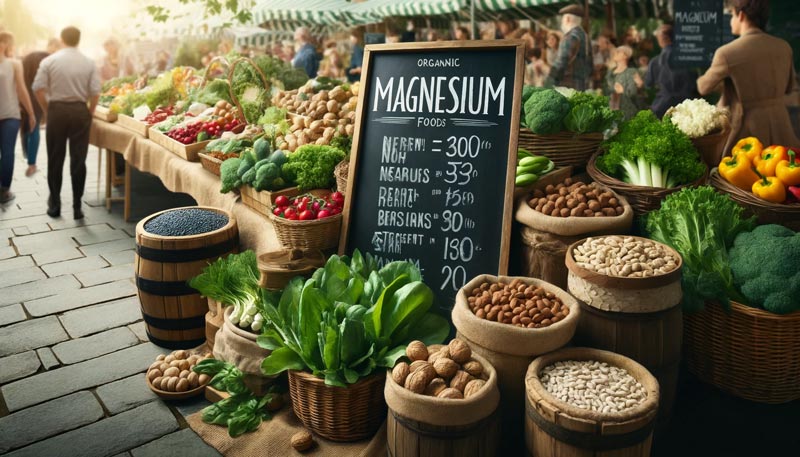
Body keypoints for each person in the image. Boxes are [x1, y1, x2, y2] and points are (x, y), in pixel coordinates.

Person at [698, 0, 799, 156]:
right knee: (783, 172)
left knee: (744, 175)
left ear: (741, 15)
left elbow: (703, 87)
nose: (731, 20)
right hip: (782, 126)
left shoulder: (727, 53)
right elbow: (790, 87)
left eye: (731, 14)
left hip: (747, 130)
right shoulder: (784, 47)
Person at [32, 26, 100, 219]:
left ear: (62, 39)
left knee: (55, 158)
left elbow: (37, 88)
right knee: (79, 159)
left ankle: (55, 204)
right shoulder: (89, 62)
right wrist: (89, 113)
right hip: (80, 111)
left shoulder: (49, 60)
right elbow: (95, 93)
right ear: (78, 40)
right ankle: (77, 206)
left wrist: (47, 110)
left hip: (57, 111)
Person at [0, 32, 36, 203]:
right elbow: (21, 90)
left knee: (7, 152)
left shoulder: (15, 64)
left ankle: (4, 190)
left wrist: (30, 113)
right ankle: (4, 190)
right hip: (10, 115)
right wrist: (30, 113)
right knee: (7, 152)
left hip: (11, 115)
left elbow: (22, 90)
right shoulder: (14, 64)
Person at [20, 38, 59, 178]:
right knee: (34, 127)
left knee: (26, 126)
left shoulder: (29, 57)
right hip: (38, 96)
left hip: (24, 95)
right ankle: (31, 162)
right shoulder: (48, 59)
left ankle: (27, 155)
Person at [646, 24, 697, 119]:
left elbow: (648, 84)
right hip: (686, 107)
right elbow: (693, 82)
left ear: (660, 39)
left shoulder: (654, 62)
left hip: (661, 108)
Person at [545, 4, 593, 91]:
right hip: (583, 85)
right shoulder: (585, 36)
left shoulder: (570, 37)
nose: (562, 22)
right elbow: (590, 65)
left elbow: (560, 63)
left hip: (569, 87)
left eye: (562, 19)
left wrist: (548, 84)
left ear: (568, 19)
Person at [606, 45, 643, 121]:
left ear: (625, 56)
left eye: (618, 52)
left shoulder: (631, 72)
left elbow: (632, 93)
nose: (615, 53)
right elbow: (607, 89)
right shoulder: (610, 72)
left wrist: (622, 91)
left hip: (626, 111)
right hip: (611, 109)